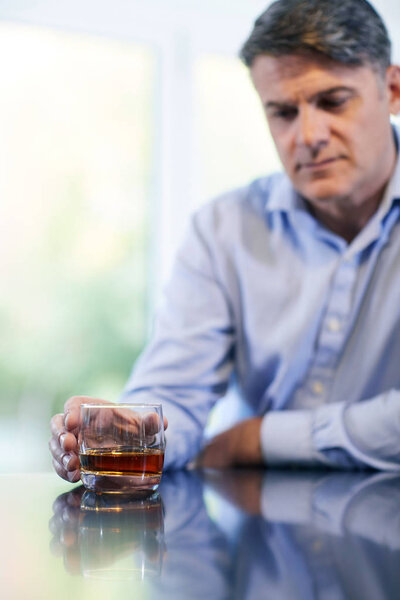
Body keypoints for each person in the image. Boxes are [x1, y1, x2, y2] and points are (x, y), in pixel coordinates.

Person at [50, 0, 400, 482]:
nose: (310, 135)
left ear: (393, 89)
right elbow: (176, 399)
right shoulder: (223, 229)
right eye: (282, 112)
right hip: (256, 540)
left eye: (333, 101)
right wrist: (128, 430)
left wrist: (257, 438)